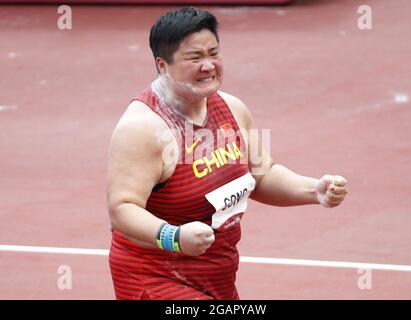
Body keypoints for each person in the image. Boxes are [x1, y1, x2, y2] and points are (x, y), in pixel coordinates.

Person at [107, 7, 348, 300]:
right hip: (156, 278)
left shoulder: (232, 109)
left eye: (214, 53)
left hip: (216, 275)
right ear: (163, 65)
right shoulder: (143, 129)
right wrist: (175, 237)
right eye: (195, 58)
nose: (208, 65)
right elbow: (122, 208)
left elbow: (261, 174)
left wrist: (313, 190)